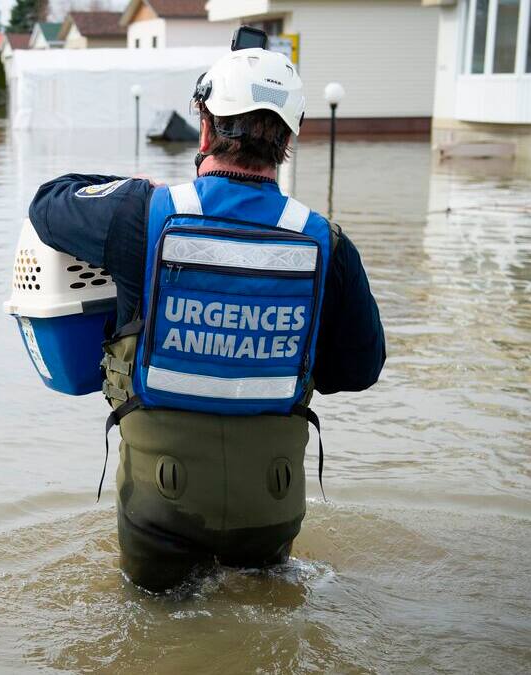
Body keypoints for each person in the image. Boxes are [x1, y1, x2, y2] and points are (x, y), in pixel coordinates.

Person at [28, 47, 385, 592]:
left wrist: (132, 187)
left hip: (159, 503)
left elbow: (47, 203)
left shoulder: (141, 215)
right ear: (287, 140)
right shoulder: (328, 243)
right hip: (271, 500)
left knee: (155, 637)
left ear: (205, 127)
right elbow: (358, 371)